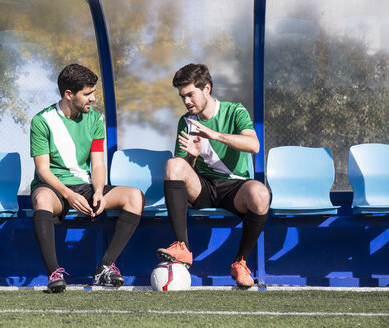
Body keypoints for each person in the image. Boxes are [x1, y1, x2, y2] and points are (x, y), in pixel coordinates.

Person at [30, 64, 144, 293]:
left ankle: (104, 267)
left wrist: (99, 191)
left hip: (86, 186)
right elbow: (43, 170)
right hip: (53, 187)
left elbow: (98, 163)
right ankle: (54, 273)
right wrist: (68, 194)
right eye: (87, 94)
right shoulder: (41, 121)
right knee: (41, 200)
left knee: (135, 196)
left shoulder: (94, 119)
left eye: (93, 92)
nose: (93, 98)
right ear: (69, 94)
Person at [156, 63, 270, 287]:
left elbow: (254, 145)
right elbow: (183, 169)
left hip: (234, 188)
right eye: (182, 97)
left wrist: (215, 135)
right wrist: (193, 157)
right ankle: (182, 246)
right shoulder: (185, 121)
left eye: (190, 95)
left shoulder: (235, 111)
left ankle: (240, 263)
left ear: (206, 89)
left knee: (261, 193)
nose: (186, 101)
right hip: (203, 187)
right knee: (173, 164)